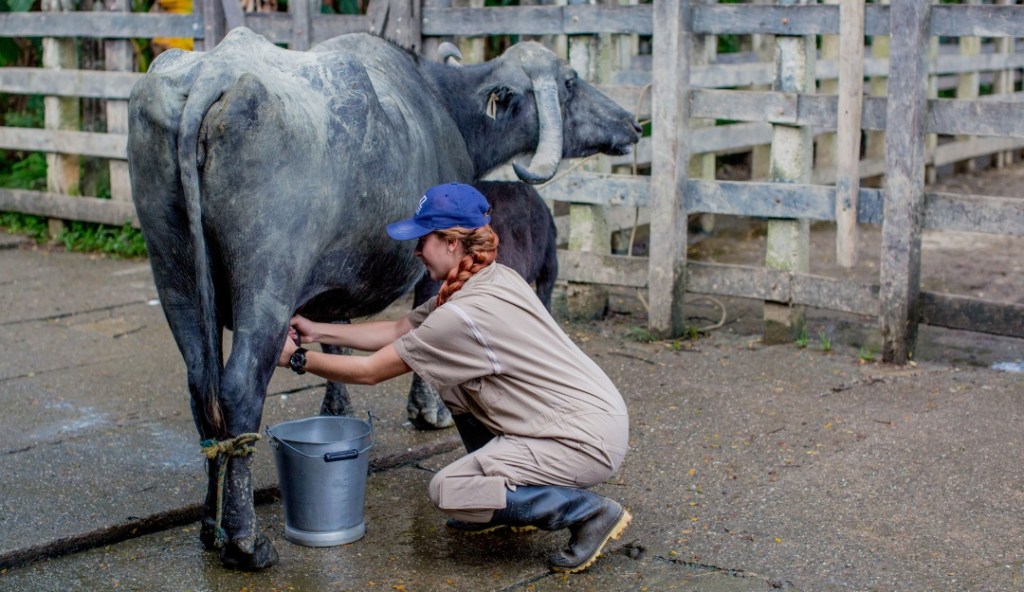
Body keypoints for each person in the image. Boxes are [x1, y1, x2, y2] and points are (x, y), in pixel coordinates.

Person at [277, 182, 630, 573]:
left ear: (451, 243)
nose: (415, 251)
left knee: (448, 489)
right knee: (451, 381)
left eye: (422, 240)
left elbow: (370, 371)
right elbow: (397, 329)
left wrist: (297, 359)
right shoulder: (487, 279)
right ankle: (498, 503)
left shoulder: (464, 315)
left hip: (582, 441)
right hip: (587, 418)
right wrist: (316, 330)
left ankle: (589, 513)